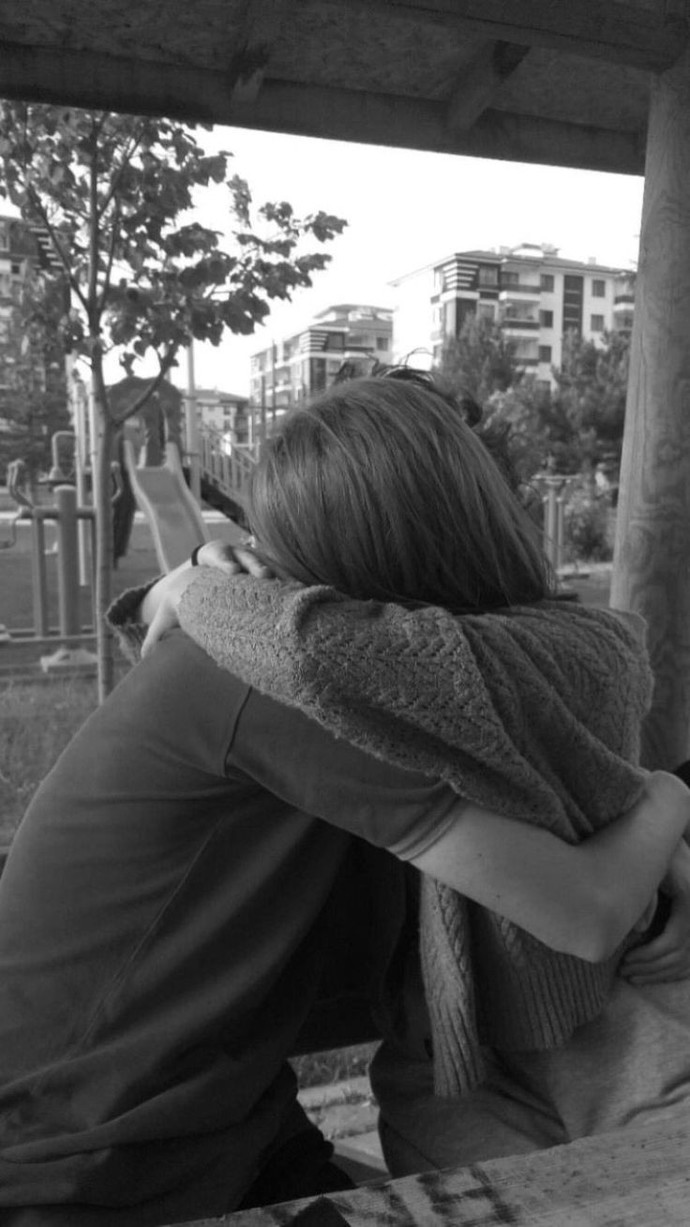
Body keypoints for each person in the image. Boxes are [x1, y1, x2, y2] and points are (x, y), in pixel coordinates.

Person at [0, 374, 688, 1225]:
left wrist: (180, 581)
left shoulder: (303, 653)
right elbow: (587, 913)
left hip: (217, 1132)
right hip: (82, 1168)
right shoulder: (299, 677)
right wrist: (666, 793)